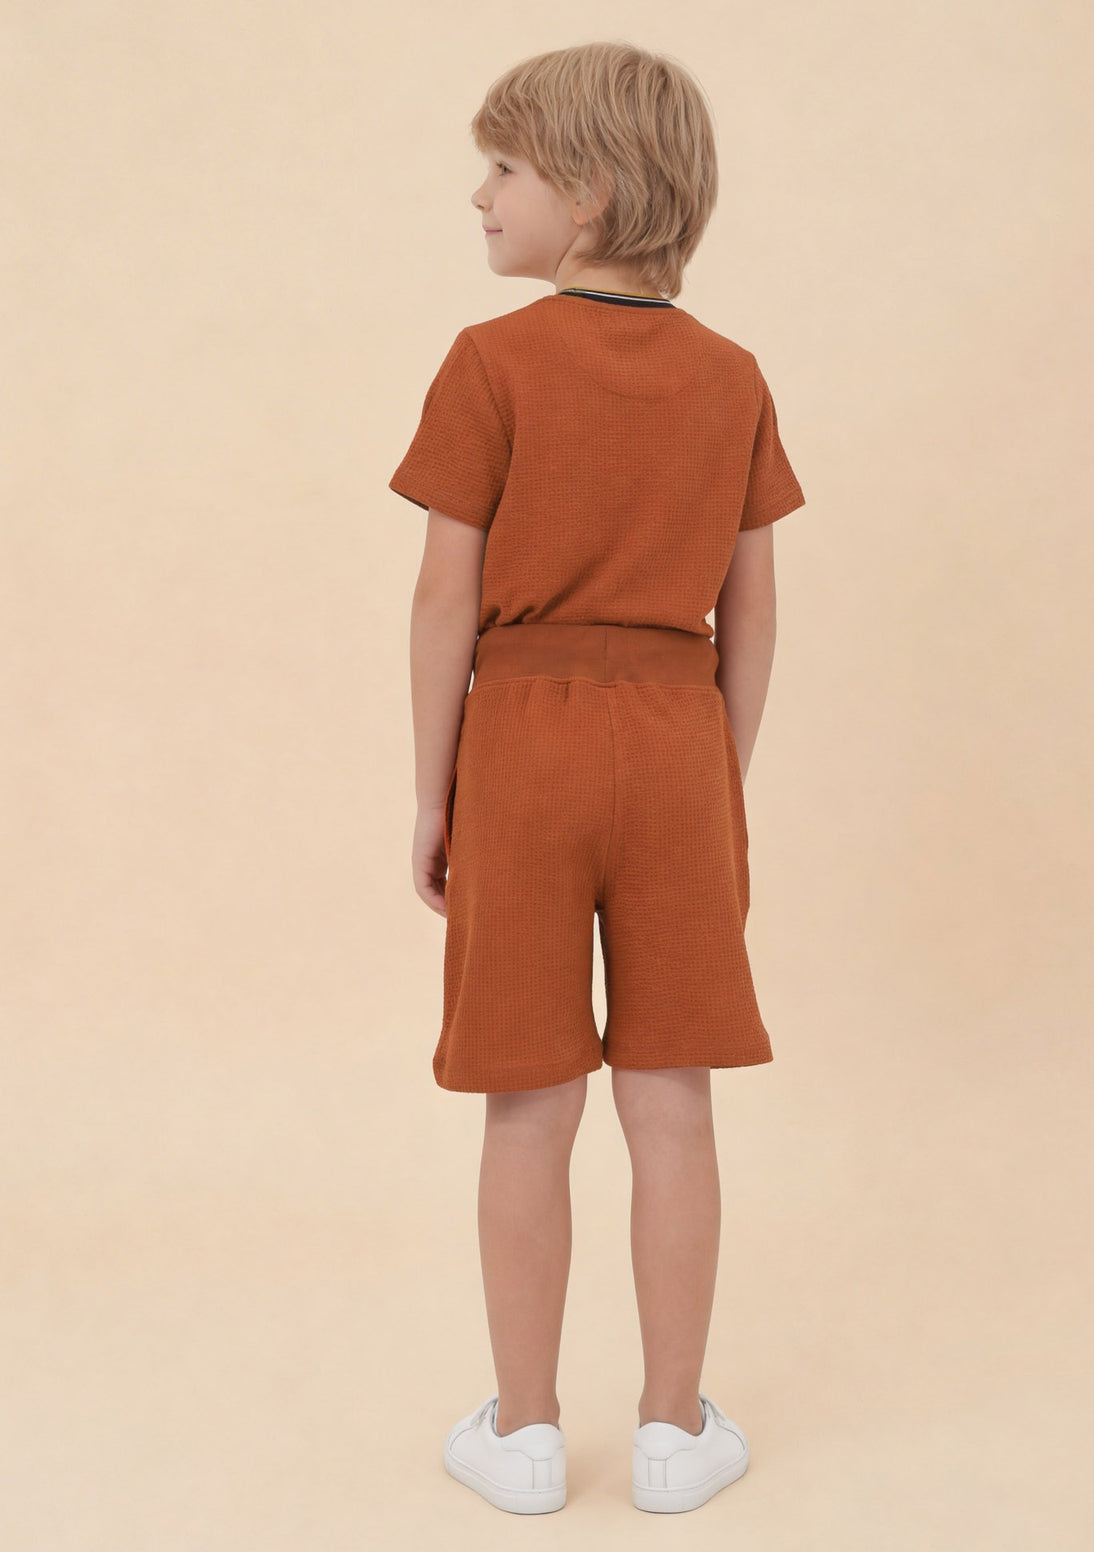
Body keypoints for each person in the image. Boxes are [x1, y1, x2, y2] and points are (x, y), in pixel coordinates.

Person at [389, 41, 806, 1516]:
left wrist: (435, 791)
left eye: (504, 167)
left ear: (592, 192)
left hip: (523, 739)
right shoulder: (733, 378)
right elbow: (753, 610)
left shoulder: (489, 363)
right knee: (672, 1093)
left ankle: (523, 1434)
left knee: (527, 1097)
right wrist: (715, 777)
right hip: (680, 733)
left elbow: (446, 598)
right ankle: (677, 1433)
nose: (480, 195)